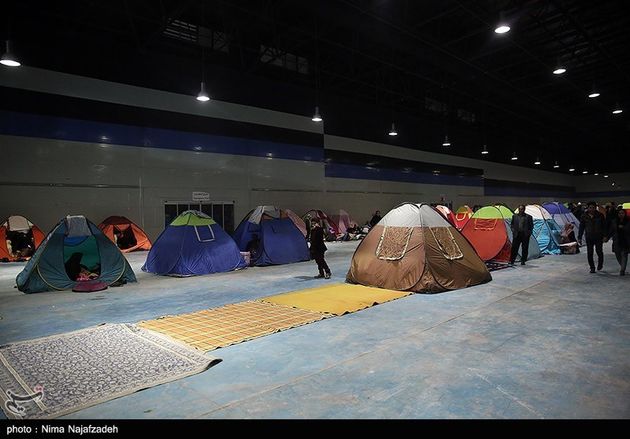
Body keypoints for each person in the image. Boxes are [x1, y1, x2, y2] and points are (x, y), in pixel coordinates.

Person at [578, 201, 607, 273]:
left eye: (593, 208)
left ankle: (600, 264)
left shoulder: (600, 215)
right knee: (590, 253)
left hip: (598, 236)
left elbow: (604, 226)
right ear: (588, 208)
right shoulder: (584, 216)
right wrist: (579, 237)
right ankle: (592, 267)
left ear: (595, 208)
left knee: (599, 251)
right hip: (589, 237)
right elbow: (581, 227)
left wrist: (605, 236)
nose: (591, 209)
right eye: (590, 208)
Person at [609, 208, 630, 276]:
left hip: (625, 241)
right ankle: (622, 266)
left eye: (622, 213)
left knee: (624, 255)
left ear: (625, 214)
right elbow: (611, 230)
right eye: (619, 213)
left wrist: (623, 228)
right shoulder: (614, 221)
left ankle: (622, 270)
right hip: (616, 240)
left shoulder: (628, 221)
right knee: (617, 254)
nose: (621, 215)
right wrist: (607, 237)